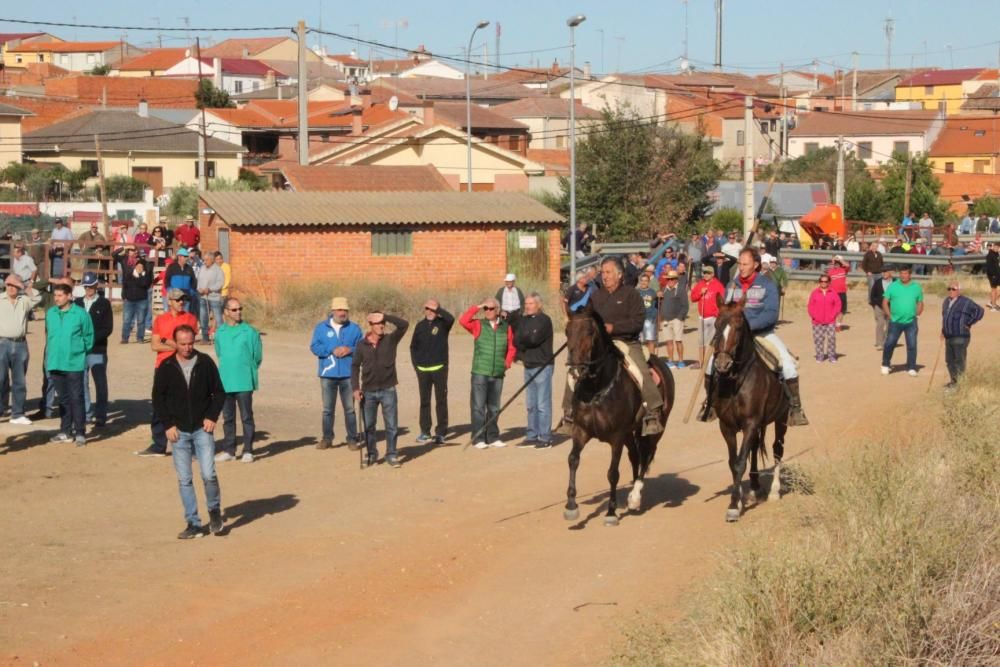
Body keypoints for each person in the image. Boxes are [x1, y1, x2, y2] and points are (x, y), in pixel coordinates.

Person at [702, 248, 808, 426]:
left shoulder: (768, 285)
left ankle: (795, 408)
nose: (741, 267)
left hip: (762, 334)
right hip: (734, 335)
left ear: (756, 265)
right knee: (710, 365)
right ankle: (711, 403)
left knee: (788, 365)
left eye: (745, 264)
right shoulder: (732, 285)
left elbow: (771, 314)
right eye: (740, 264)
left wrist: (748, 326)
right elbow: (725, 312)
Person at [152, 325, 225, 539]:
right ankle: (193, 522)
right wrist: (167, 424)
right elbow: (158, 398)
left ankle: (214, 511)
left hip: (202, 428)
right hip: (178, 431)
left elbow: (219, 392)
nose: (187, 347)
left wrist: (212, 416)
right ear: (176, 343)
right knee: (184, 479)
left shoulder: (205, 363)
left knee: (208, 474)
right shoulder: (166, 366)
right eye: (183, 344)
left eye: (190, 343)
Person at [579, 257, 664, 435]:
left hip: (627, 342)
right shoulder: (596, 296)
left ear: (619, 274)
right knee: (576, 368)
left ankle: (654, 411)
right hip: (602, 345)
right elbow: (588, 318)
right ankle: (570, 414)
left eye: (608, 272)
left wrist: (614, 328)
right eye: (603, 272)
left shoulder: (631, 294)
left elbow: (638, 321)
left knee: (640, 371)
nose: (605, 276)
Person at [135, 288, 200, 457]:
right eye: (178, 300)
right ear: (169, 301)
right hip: (163, 365)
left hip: (184, 366)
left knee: (186, 404)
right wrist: (175, 346)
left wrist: (170, 343)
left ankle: (190, 447)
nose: (181, 302)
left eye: (183, 299)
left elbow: (188, 345)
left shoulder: (190, 319)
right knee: (159, 404)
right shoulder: (161, 320)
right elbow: (155, 345)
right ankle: (158, 445)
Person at [351, 311, 409, 468]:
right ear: (371, 325)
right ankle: (371, 454)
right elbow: (355, 366)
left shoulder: (391, 340)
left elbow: (404, 325)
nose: (382, 325)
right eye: (378, 323)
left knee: (391, 425)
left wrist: (385, 316)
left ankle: (391, 454)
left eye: (383, 323)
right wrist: (355, 388)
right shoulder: (361, 345)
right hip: (368, 391)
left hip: (388, 389)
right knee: (369, 426)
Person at [460, 298, 516, 448]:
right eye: (486, 309)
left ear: (498, 310)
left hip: (497, 373)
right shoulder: (478, 324)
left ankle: (492, 436)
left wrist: (506, 364)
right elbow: (463, 321)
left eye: (491, 308)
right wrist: (477, 306)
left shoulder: (506, 327)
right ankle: (478, 438)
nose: (488, 311)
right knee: (478, 406)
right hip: (480, 371)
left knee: (494, 407)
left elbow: (511, 347)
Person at [309, 297, 363, 450]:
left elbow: (362, 346)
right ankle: (327, 438)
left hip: (348, 374)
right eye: (339, 310)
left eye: (345, 310)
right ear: (332, 311)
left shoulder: (355, 328)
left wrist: (350, 349)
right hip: (328, 374)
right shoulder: (321, 328)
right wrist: (330, 350)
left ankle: (352, 439)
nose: (342, 313)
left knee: (350, 409)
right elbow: (314, 347)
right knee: (327, 409)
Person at [213, 298, 263, 463]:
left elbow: (257, 357)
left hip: (244, 380)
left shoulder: (250, 332)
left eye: (240, 309)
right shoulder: (220, 332)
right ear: (226, 312)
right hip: (225, 380)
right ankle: (229, 450)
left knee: (246, 416)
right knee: (228, 417)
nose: (238, 312)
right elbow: (220, 353)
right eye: (234, 310)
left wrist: (247, 369)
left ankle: (248, 449)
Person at [45, 283, 94, 446]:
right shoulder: (50, 313)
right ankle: (65, 431)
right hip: (55, 362)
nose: (56, 299)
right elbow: (49, 335)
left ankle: (80, 432)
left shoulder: (80, 314)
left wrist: (77, 352)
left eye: (60, 295)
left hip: (74, 363)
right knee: (63, 399)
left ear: (69, 296)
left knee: (76, 398)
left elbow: (89, 337)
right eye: (55, 295)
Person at [510, 293, 554, 449]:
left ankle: (545, 437)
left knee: (542, 404)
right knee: (531, 404)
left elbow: (534, 340)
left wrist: (524, 338)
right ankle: (532, 435)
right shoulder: (523, 320)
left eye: (531, 303)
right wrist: (524, 338)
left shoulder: (545, 320)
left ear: (538, 305)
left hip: (542, 365)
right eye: (526, 303)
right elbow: (516, 340)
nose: (527, 306)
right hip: (528, 365)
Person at [409, 298, 454, 445]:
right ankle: (425, 432)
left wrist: (438, 309)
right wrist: (416, 366)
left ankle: (441, 433)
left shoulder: (443, 323)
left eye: (433, 309)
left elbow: (451, 318)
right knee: (424, 401)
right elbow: (413, 347)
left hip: (439, 368)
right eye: (427, 309)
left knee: (441, 401)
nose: (430, 312)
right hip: (423, 370)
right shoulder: (420, 326)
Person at [0, 275, 42, 425]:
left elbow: (38, 297)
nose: (11, 287)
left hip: (20, 344)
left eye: (14, 285)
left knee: (19, 381)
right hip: (2, 343)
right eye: (9, 284)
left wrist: (25, 287)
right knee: (1, 378)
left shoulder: (24, 300)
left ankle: (17, 413)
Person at [75, 272, 113, 427]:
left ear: (96, 286)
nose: (88, 289)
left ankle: (101, 414)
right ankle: (86, 413)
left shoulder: (104, 303)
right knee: (81, 383)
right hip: (80, 350)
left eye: (91, 286)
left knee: (100, 383)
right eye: (86, 286)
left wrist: (89, 340)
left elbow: (107, 328)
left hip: (97, 349)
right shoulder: (77, 303)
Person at [881, 265, 923, 377]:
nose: (903, 276)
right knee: (890, 343)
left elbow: (920, 302)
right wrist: (889, 315)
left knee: (912, 345)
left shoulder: (916, 287)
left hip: (911, 322)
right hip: (895, 321)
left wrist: (917, 314)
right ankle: (885, 364)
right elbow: (885, 302)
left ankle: (911, 367)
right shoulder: (893, 286)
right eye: (901, 273)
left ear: (910, 275)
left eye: (905, 273)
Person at [940, 282, 984, 389]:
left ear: (959, 291)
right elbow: (945, 317)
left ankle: (961, 384)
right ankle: (954, 382)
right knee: (949, 360)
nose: (951, 291)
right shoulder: (946, 301)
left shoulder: (966, 301)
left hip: (960, 335)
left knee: (959, 360)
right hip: (948, 335)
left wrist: (969, 323)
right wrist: (942, 330)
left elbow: (980, 310)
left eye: (953, 289)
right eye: (949, 288)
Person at [689, 264, 725, 368]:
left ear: (713, 274)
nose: (705, 275)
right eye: (704, 272)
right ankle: (701, 362)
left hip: (713, 318)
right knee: (701, 342)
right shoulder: (700, 284)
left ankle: (710, 363)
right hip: (702, 318)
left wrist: (717, 313)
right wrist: (700, 293)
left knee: (711, 342)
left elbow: (722, 300)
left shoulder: (718, 285)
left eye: (708, 273)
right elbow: (693, 298)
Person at [120, 246, 152, 343]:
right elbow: (125, 285)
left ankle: (140, 338)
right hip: (129, 300)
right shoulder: (129, 274)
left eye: (141, 267)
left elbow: (145, 285)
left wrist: (140, 276)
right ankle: (125, 338)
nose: (139, 268)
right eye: (138, 266)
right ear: (135, 266)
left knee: (141, 320)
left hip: (141, 300)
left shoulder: (146, 276)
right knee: (126, 320)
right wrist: (124, 296)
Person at [808, 274, 841, 363]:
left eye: (826, 281)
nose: (823, 283)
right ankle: (819, 356)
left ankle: (831, 356)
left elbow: (838, 305)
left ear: (829, 282)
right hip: (817, 321)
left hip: (830, 321)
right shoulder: (814, 293)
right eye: (821, 281)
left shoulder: (833, 292)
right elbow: (810, 306)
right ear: (819, 282)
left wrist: (833, 315)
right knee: (818, 339)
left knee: (831, 338)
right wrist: (814, 316)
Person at [658, 269, 688, 368]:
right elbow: (658, 304)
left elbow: (685, 306)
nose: (670, 281)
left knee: (678, 340)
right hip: (665, 319)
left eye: (672, 279)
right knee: (669, 341)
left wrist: (680, 318)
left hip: (676, 319)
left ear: (676, 280)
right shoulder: (663, 289)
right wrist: (657, 297)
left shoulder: (680, 290)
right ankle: (670, 360)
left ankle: (680, 360)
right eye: (668, 279)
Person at [196, 251, 224, 342]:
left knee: (218, 319)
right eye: (204, 260)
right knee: (203, 318)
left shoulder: (218, 270)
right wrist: (199, 288)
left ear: (212, 260)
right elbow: (198, 279)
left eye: (206, 260)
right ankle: (205, 338)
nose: (204, 262)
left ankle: (222, 338)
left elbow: (220, 283)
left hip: (214, 298)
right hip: (203, 297)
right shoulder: (202, 268)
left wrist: (210, 289)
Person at [869, 266, 894, 350]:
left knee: (889, 325)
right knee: (880, 323)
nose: (883, 273)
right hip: (879, 306)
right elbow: (872, 294)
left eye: (885, 271)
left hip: (891, 307)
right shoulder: (878, 282)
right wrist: (874, 305)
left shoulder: (896, 283)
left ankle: (886, 341)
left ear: (891, 272)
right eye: (882, 272)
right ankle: (879, 342)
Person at [637, 273, 659, 356]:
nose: (644, 282)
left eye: (646, 281)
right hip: (639, 319)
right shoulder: (637, 292)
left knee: (650, 340)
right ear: (640, 281)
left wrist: (654, 315)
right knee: (641, 341)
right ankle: (643, 358)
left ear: (648, 282)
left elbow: (657, 304)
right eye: (642, 281)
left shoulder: (652, 292)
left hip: (650, 318)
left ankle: (652, 358)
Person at [827, 255, 849, 330]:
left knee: (842, 310)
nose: (836, 264)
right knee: (832, 309)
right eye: (835, 263)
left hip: (842, 292)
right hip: (833, 293)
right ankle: (832, 323)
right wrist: (834, 260)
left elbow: (847, 265)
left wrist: (840, 260)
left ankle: (838, 325)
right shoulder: (830, 271)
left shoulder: (844, 270)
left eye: (837, 263)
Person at [985, 241, 1000, 311]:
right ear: (993, 246)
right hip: (993, 275)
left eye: (998, 247)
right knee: (994, 290)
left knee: (996, 290)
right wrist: (993, 275)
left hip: (998, 274)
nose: (996, 248)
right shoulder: (990, 255)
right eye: (995, 247)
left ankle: (992, 302)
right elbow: (989, 266)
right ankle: (993, 306)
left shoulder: (996, 254)